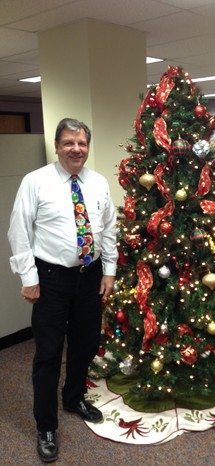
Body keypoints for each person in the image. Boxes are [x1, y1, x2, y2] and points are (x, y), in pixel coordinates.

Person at [8, 118, 118, 462]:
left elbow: (109, 229)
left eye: (82, 143)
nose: (76, 149)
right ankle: (46, 425)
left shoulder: (98, 183)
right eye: (69, 143)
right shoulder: (35, 181)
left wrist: (109, 271)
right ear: (57, 146)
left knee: (86, 344)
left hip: (90, 275)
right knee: (48, 354)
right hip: (51, 279)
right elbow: (19, 231)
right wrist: (29, 277)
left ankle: (73, 399)